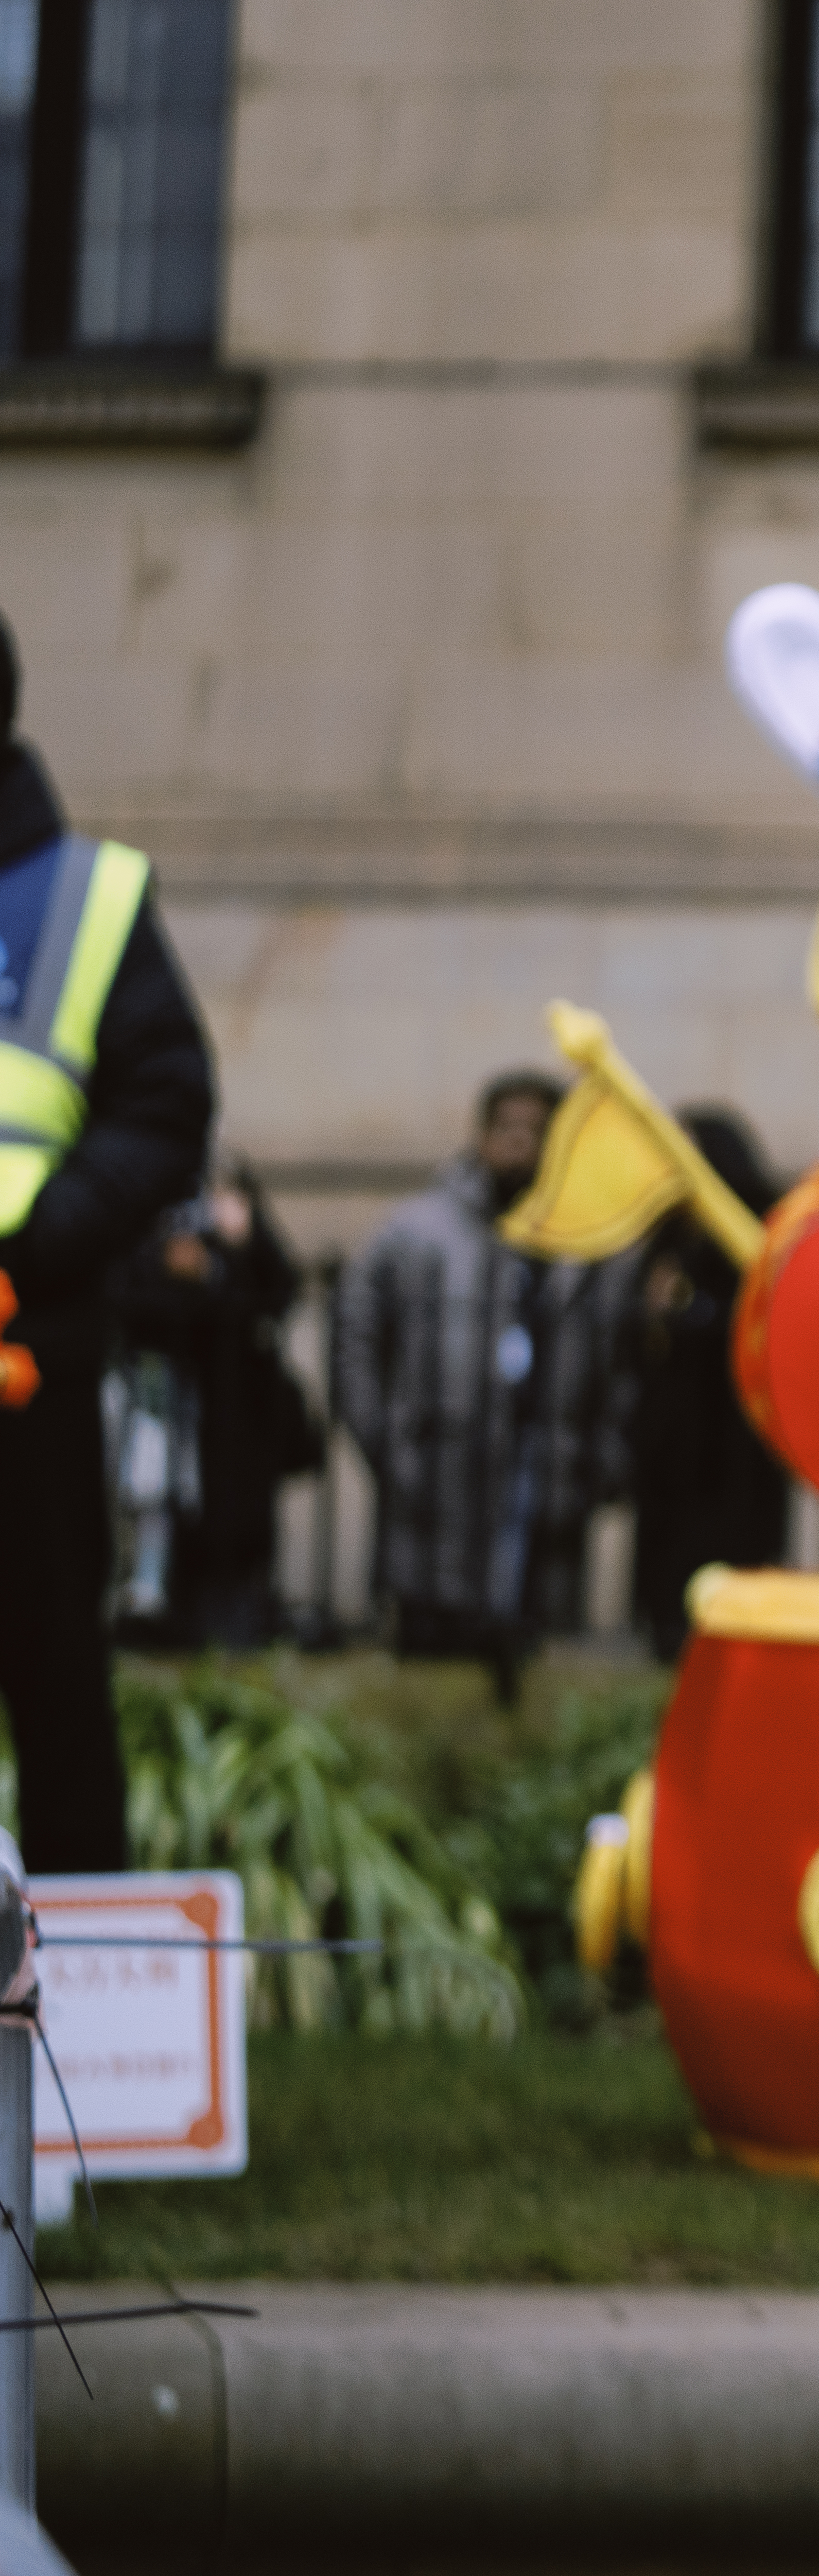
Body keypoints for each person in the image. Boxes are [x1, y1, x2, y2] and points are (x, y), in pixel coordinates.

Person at [0, 614, 217, 1872]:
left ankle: (74, 2025)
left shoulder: (86, 894)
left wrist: (29, 1252)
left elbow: (164, 1107)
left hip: (26, 1360)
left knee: (53, 1687)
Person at [332, 1071, 637, 1704]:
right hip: (438, 1481)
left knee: (541, 1667)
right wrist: (385, 1443)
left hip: (542, 1481)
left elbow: (621, 1356)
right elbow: (354, 1329)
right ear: (480, 1135)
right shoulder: (418, 1230)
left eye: (536, 1130)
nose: (520, 1143)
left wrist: (603, 1460)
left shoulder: (588, 1242)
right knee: (430, 1668)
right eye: (508, 1128)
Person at [107, 1161, 316, 1651]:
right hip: (164, 1394)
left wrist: (235, 1251)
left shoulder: (236, 1215)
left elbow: (279, 1290)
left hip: (235, 1410)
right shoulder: (143, 1207)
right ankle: (157, 1611)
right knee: (156, 1503)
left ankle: (238, 1613)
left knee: (235, 1518)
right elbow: (130, 1303)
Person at [626, 1106, 790, 1661]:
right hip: (673, 1444)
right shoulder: (665, 1237)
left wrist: (689, 1313)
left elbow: (764, 1320)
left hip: (732, 1440)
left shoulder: (754, 1227)